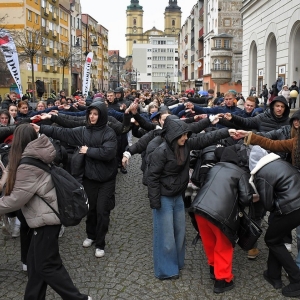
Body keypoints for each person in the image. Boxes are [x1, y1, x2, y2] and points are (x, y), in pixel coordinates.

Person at [0, 123, 90, 300]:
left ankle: (79, 298)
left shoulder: (27, 165)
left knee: (48, 265)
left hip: (46, 222)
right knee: (34, 263)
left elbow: (16, 199)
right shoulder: (34, 155)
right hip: (44, 218)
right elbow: (12, 170)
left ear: (19, 141)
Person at [147, 115, 236, 280]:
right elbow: (151, 178)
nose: (186, 137)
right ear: (173, 135)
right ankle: (166, 270)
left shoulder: (185, 144)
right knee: (166, 236)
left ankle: (178, 263)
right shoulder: (161, 151)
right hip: (164, 197)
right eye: (182, 135)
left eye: (186, 135)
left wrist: (227, 132)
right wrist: (155, 203)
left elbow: (205, 138)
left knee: (180, 233)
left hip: (178, 196)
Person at [31, 101, 118, 259]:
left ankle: (100, 243)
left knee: (102, 211)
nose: (92, 116)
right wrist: (42, 128)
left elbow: (109, 153)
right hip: (90, 178)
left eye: (95, 114)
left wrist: (88, 150)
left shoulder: (109, 133)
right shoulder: (84, 131)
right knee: (90, 209)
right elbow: (64, 132)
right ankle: (90, 236)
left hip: (106, 180)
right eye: (90, 113)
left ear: (102, 115)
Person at [237, 143, 300, 298]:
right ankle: (273, 275)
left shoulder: (262, 174)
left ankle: (297, 280)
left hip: (290, 209)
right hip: (296, 204)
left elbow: (268, 204)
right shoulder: (279, 162)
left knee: (271, 239)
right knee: (275, 238)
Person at [190, 147, 253, 293]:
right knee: (223, 246)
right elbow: (246, 198)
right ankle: (222, 281)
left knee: (210, 242)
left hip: (199, 210)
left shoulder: (214, 168)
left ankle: (213, 270)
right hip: (220, 215)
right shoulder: (240, 173)